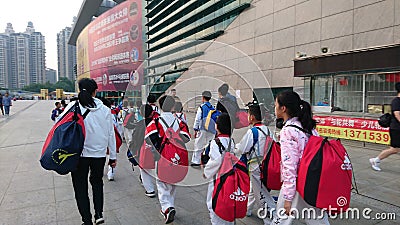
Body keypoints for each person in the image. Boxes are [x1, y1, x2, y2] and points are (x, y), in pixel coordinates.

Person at [58, 78, 117, 225]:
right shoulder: (105, 109)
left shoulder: (73, 106)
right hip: (99, 155)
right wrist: (113, 157)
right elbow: (111, 134)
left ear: (79, 90)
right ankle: (98, 214)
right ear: (95, 91)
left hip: (79, 155)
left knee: (80, 187)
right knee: (97, 183)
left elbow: (59, 123)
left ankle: (87, 220)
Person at [271, 91, 329, 225]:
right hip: (312, 181)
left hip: (297, 184)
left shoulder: (288, 131)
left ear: (283, 108)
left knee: (281, 219)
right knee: (318, 220)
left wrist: (288, 197)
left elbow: (290, 166)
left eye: (276, 105)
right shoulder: (308, 127)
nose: (275, 108)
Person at [144, 95, 190, 224]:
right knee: (173, 181)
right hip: (177, 156)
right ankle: (171, 205)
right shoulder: (179, 121)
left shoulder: (157, 121)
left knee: (162, 182)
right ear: (172, 106)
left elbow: (148, 137)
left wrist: (159, 145)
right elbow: (186, 136)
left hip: (162, 156)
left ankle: (166, 208)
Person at [234, 104, 276, 223]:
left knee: (261, 194)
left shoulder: (252, 132)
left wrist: (233, 147)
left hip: (255, 166)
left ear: (251, 117)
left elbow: (242, 149)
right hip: (266, 164)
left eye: (248, 114)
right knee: (254, 189)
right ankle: (247, 208)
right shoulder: (267, 129)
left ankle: (271, 218)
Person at [203, 113, 235, 225]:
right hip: (230, 175)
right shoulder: (232, 141)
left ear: (217, 126)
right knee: (227, 199)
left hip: (218, 177)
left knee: (214, 201)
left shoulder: (215, 142)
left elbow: (215, 161)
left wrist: (206, 172)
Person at [370, 82, 400, 171]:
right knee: (394, 149)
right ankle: (376, 160)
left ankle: (376, 160)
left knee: (395, 149)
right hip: (396, 129)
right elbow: (397, 115)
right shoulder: (396, 101)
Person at [191, 91, 216, 167]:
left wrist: (195, 128)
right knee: (209, 145)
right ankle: (208, 160)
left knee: (198, 144)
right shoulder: (213, 108)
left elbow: (198, 119)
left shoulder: (201, 107)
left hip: (202, 128)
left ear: (203, 97)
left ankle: (196, 161)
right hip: (211, 129)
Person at [137, 104, 157, 198]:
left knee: (144, 169)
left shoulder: (141, 124)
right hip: (158, 149)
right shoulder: (157, 122)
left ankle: (150, 189)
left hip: (145, 149)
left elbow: (137, 139)